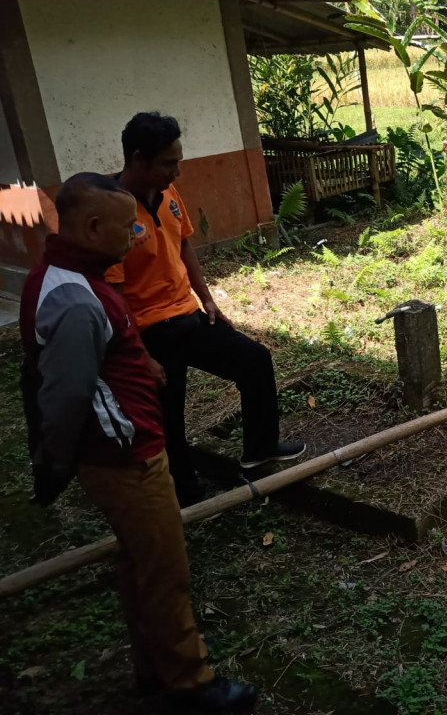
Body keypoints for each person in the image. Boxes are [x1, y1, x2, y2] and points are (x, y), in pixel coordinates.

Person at [19, 172, 257, 711]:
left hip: (122, 448)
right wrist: (54, 464)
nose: (135, 237)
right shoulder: (76, 299)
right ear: (92, 225)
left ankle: (153, 668)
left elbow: (94, 363)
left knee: (140, 565)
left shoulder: (67, 276)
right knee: (166, 570)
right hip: (124, 456)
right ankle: (192, 684)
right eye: (126, 228)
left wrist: (139, 363)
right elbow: (65, 394)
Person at [108, 112, 305, 507]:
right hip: (149, 330)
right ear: (138, 159)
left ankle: (259, 451)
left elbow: (183, 245)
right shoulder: (111, 210)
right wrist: (140, 355)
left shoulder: (167, 195)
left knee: (254, 360)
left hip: (188, 315)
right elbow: (110, 294)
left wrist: (207, 298)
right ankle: (184, 497)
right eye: (169, 163)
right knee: (168, 419)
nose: (177, 171)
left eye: (179, 160)